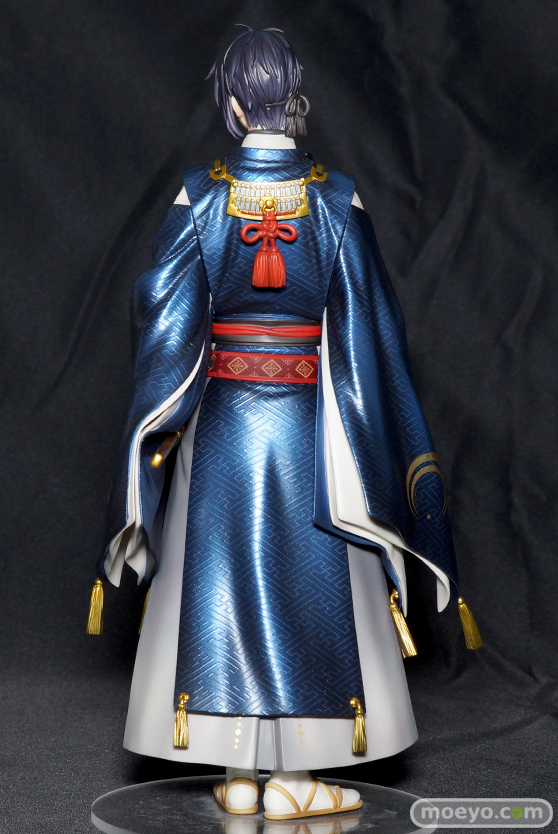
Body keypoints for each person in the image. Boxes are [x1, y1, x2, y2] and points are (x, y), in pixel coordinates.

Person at [89, 26, 480, 822]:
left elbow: (161, 315)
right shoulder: (339, 200)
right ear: (292, 97)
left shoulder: (199, 198)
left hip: (222, 429)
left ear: (234, 105)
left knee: (220, 579)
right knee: (312, 586)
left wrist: (170, 396)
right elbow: (373, 331)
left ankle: (239, 772)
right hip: (312, 430)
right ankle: (296, 773)